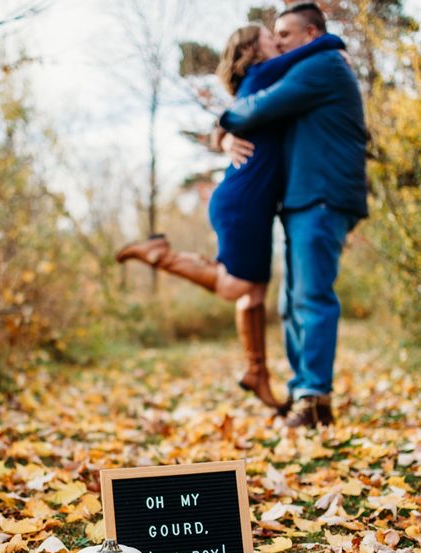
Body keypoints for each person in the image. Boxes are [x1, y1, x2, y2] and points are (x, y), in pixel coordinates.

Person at [116, 22, 345, 413]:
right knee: (233, 287)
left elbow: (232, 116)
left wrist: (220, 136)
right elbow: (302, 55)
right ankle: (160, 254)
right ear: (254, 51)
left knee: (253, 292)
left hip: (252, 202)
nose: (278, 43)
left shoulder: (260, 82)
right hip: (243, 202)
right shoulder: (264, 72)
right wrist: (331, 40)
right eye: (271, 39)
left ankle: (257, 373)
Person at [217, 2, 368, 427]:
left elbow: (257, 109)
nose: (277, 42)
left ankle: (314, 397)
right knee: (290, 302)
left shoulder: (321, 66)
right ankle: (304, 392)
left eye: (284, 34)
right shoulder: (308, 67)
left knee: (311, 297)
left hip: (321, 196)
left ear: (310, 34)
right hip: (302, 199)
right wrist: (226, 141)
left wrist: (223, 126)